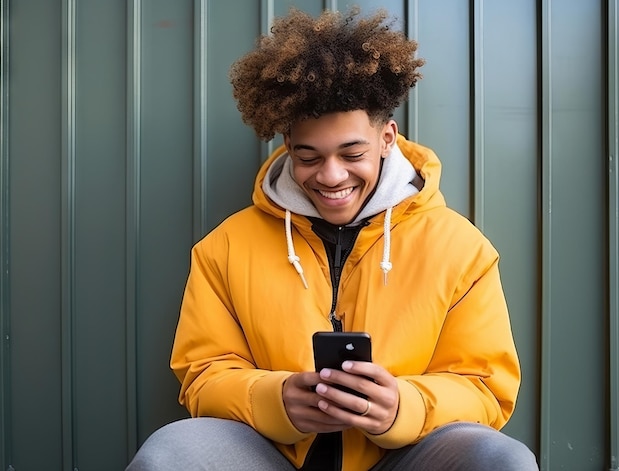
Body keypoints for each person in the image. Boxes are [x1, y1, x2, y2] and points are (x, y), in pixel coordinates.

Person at [126, 7, 538, 471]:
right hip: (271, 455)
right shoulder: (224, 247)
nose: (331, 175)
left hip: (404, 457)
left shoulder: (461, 249)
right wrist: (275, 400)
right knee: (168, 455)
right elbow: (203, 374)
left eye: (352, 152)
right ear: (286, 144)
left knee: (502, 460)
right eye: (308, 156)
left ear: (387, 137)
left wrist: (404, 406)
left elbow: (484, 386)